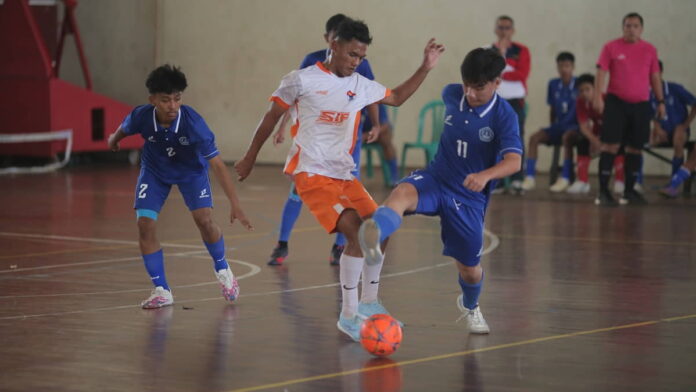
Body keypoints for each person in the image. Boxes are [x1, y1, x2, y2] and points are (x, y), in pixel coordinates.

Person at [234, 19, 445, 341]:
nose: (356, 62)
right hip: (311, 173)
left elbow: (398, 97)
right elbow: (271, 117)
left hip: (344, 173)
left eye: (361, 57)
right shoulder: (300, 80)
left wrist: (425, 67)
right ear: (333, 45)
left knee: (379, 229)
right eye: (351, 54)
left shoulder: (360, 84)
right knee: (357, 233)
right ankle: (348, 315)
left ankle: (370, 303)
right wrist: (249, 157)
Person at [358, 48, 523, 334]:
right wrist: (425, 67)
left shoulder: (504, 116)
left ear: (497, 82)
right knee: (400, 195)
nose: (470, 92)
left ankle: (471, 306)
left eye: (479, 87)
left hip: (468, 196)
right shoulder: (451, 93)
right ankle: (374, 233)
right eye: (467, 84)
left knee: (470, 270)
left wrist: (485, 175)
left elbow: (514, 161)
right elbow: (396, 97)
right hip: (436, 177)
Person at [107, 65, 252, 309]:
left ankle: (222, 268)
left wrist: (235, 204)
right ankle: (162, 290)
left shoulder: (193, 124)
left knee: (204, 221)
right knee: (144, 224)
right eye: (165, 100)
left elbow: (216, 164)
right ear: (152, 100)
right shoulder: (142, 116)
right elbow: (124, 129)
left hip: (191, 173)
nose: (173, 106)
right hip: (155, 173)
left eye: (177, 99)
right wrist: (113, 140)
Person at [268, 13, 381, 266]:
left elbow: (373, 93)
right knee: (297, 190)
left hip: (346, 139)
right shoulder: (311, 63)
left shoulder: (360, 62)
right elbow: (292, 97)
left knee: (349, 194)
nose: (352, 57)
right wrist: (282, 126)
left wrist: (375, 124)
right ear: (330, 41)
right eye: (335, 41)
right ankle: (282, 243)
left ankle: (341, 246)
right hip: (315, 144)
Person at [593, 12, 665, 206]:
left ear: (641, 29)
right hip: (616, 103)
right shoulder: (611, 47)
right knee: (610, 146)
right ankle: (603, 192)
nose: (631, 29)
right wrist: (598, 96)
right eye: (627, 25)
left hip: (641, 104)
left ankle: (629, 191)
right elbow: (601, 72)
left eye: (635, 26)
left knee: (635, 148)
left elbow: (655, 77)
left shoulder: (649, 49)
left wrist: (661, 101)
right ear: (622, 27)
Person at [521, 52, 578, 192]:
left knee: (567, 138)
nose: (564, 69)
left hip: (575, 127)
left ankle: (565, 177)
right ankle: (529, 177)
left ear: (573, 67)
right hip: (559, 126)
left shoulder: (579, 84)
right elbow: (553, 108)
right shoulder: (553, 84)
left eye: (567, 66)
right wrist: (553, 127)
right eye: (561, 66)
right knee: (534, 138)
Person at [564, 73, 623, 194]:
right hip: (598, 132)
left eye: (587, 89)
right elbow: (583, 126)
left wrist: (601, 141)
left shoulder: (608, 99)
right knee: (582, 141)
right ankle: (583, 181)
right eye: (581, 91)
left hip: (615, 131)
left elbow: (615, 124)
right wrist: (594, 141)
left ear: (596, 89)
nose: (584, 93)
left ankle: (620, 180)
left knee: (617, 143)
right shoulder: (580, 102)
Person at [491, 15, 530, 193]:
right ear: (496, 29)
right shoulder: (488, 50)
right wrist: (501, 56)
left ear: (513, 30)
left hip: (515, 101)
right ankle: (497, 180)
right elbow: (488, 73)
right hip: (493, 101)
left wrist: (500, 72)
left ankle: (517, 179)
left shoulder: (522, 50)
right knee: (493, 139)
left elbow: (522, 74)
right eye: (501, 27)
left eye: (507, 28)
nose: (504, 31)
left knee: (516, 138)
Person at [650, 61, 696, 179]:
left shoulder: (674, 88)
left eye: (654, 73)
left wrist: (684, 126)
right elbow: (650, 113)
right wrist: (657, 128)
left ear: (661, 73)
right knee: (637, 143)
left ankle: (674, 181)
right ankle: (635, 184)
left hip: (679, 130)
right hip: (661, 131)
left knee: (678, 139)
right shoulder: (648, 92)